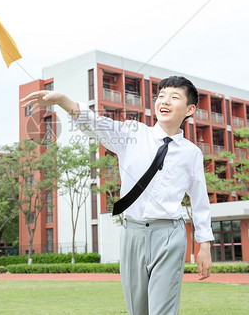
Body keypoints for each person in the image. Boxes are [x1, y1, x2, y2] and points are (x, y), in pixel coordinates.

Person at [21, 75, 214, 315]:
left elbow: (200, 201)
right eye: (161, 96)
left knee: (162, 311)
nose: (165, 101)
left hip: (169, 235)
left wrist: (203, 245)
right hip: (132, 233)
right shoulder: (132, 134)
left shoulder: (191, 153)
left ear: (190, 109)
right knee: (138, 310)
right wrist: (62, 100)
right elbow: (98, 123)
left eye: (175, 97)